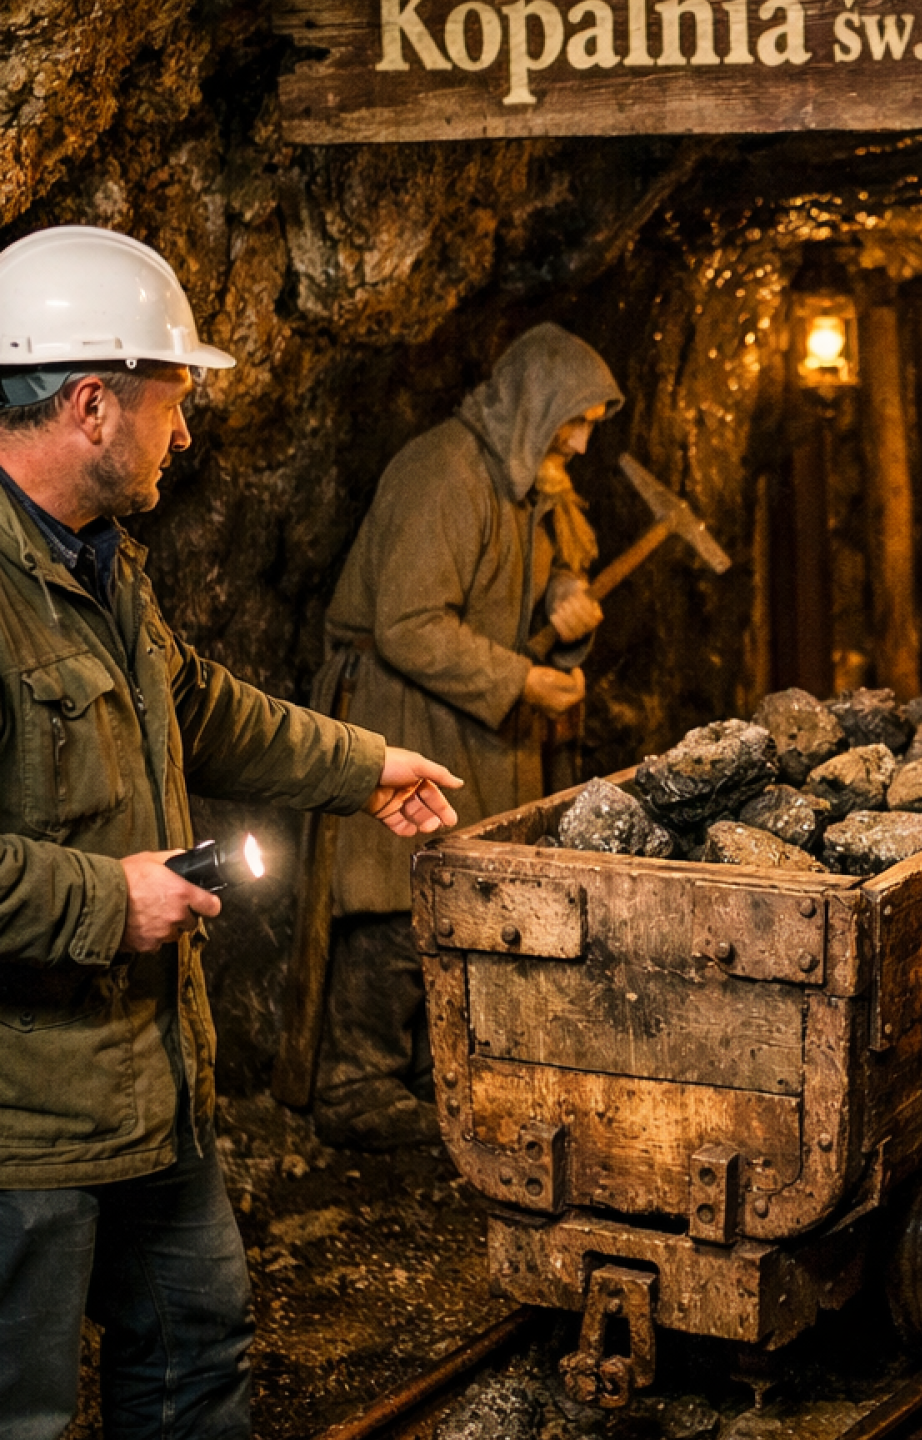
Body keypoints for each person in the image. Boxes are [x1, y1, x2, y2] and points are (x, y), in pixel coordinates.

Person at [0, 225, 464, 1440]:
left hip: (136, 1079)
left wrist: (360, 766)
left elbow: (184, 699)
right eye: (175, 400)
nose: (187, 433)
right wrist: (110, 901)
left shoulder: (86, 556)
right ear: (93, 404)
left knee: (193, 1360)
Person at [307, 322, 620, 1148]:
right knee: (395, 891)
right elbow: (407, 624)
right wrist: (520, 680)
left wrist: (563, 605)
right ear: (536, 407)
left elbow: (538, 582)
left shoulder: (528, 487)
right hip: (401, 707)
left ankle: (425, 1069)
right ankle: (355, 1082)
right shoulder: (444, 471)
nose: (582, 444)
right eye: (574, 422)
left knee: (464, 892)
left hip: (471, 717)